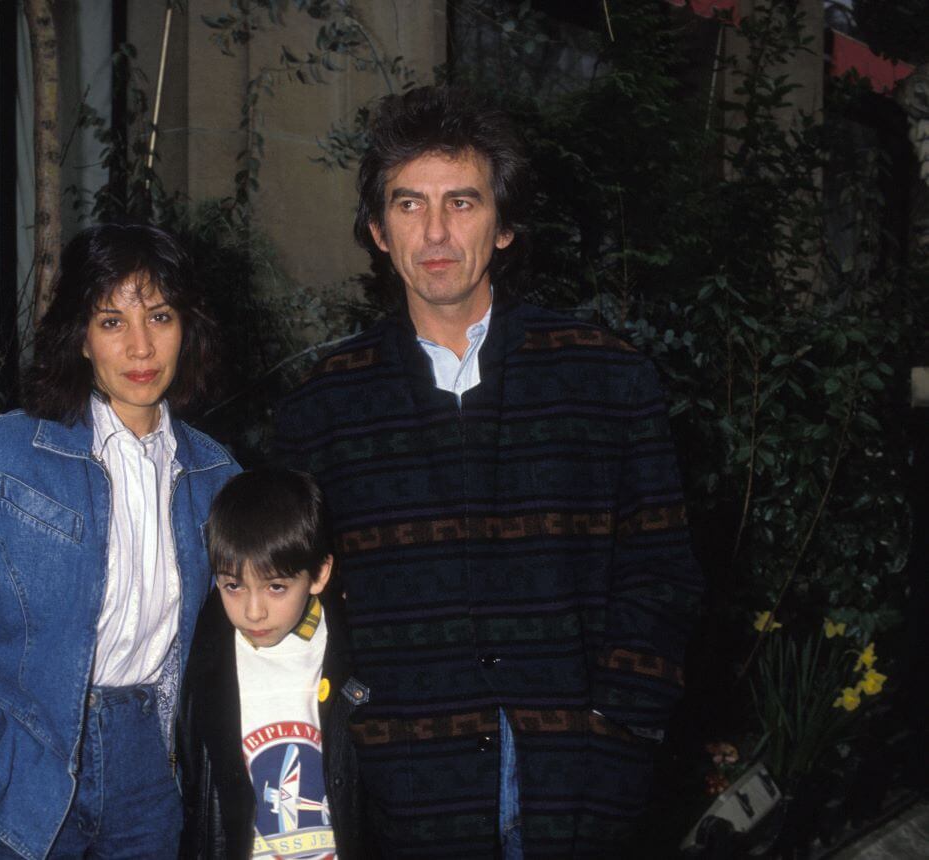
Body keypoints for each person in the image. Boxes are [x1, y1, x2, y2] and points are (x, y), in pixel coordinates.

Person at [273, 86, 703, 858]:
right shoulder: (320, 408)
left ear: (503, 226)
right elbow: (297, 598)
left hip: (578, 786)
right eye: (410, 205)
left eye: (463, 203)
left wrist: (624, 726)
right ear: (377, 229)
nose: (436, 232)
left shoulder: (607, 381)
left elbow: (661, 569)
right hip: (404, 791)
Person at [0, 223, 241, 859]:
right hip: (24, 758)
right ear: (79, 337)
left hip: (152, 774)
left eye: (159, 315)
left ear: (188, 327)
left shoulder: (217, 478)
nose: (140, 345)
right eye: (111, 322)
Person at [177, 469, 372, 859]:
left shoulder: (353, 653)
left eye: (276, 587)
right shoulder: (204, 661)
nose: (253, 611)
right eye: (233, 586)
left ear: (319, 574)